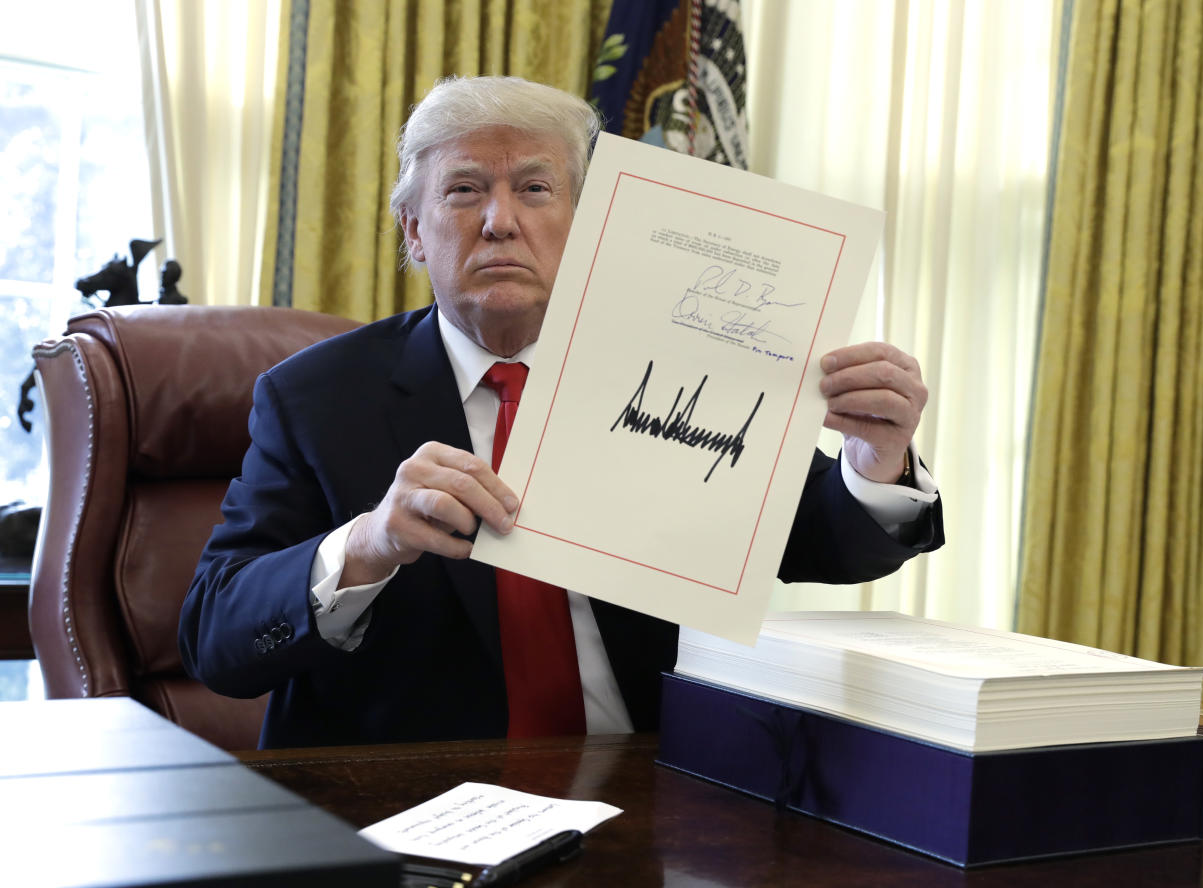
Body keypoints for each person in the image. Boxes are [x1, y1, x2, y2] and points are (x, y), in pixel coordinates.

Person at [179, 76, 944, 749]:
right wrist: (369, 543)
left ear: (588, 227)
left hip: (649, 790)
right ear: (414, 231)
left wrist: (877, 462)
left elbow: (821, 539)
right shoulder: (313, 398)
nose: (500, 221)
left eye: (536, 190)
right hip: (413, 800)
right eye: (464, 190)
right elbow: (215, 638)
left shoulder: (675, 369)